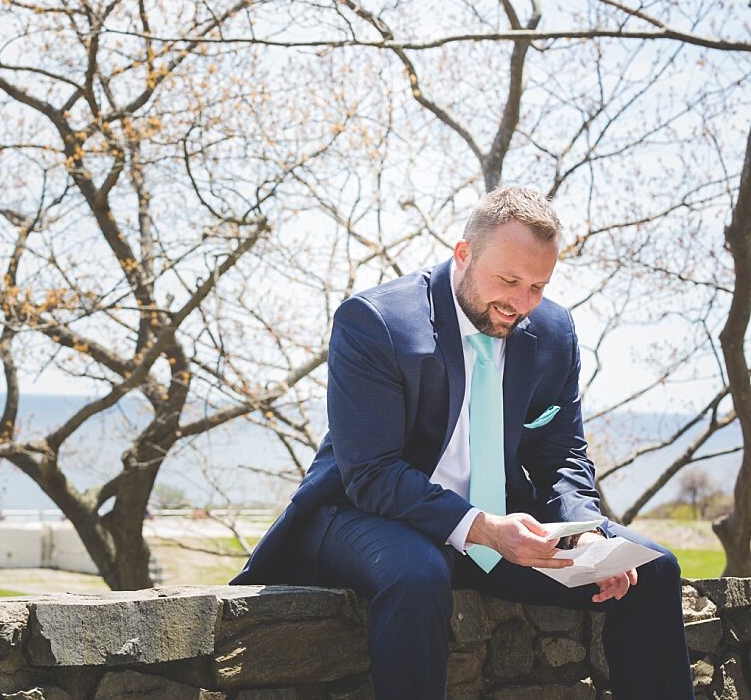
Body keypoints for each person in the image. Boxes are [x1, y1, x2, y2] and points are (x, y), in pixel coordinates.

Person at [233, 186, 689, 699]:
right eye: (509, 280)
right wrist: (482, 529)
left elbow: (560, 452)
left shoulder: (554, 331)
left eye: (538, 285)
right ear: (463, 254)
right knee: (417, 573)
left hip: (499, 529)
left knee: (649, 569)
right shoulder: (376, 322)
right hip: (364, 514)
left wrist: (584, 530)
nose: (522, 303)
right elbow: (371, 473)